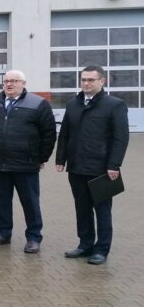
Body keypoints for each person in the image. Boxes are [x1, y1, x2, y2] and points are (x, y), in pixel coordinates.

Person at [55, 66, 129, 265]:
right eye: (83, 80)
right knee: (82, 208)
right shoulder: (73, 104)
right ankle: (85, 244)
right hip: (77, 167)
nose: (86, 83)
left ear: (102, 81)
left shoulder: (115, 105)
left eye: (90, 80)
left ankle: (102, 249)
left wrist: (114, 164)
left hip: (102, 169)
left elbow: (120, 138)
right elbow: (65, 134)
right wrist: (60, 159)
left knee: (102, 210)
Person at [0, 70, 56, 253]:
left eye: (14, 81)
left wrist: (41, 158)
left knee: (30, 202)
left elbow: (48, 134)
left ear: (23, 83)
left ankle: (33, 237)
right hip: (0, 164)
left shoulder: (38, 103)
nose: (9, 84)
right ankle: (3, 233)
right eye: (6, 81)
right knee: (2, 202)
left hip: (26, 164)